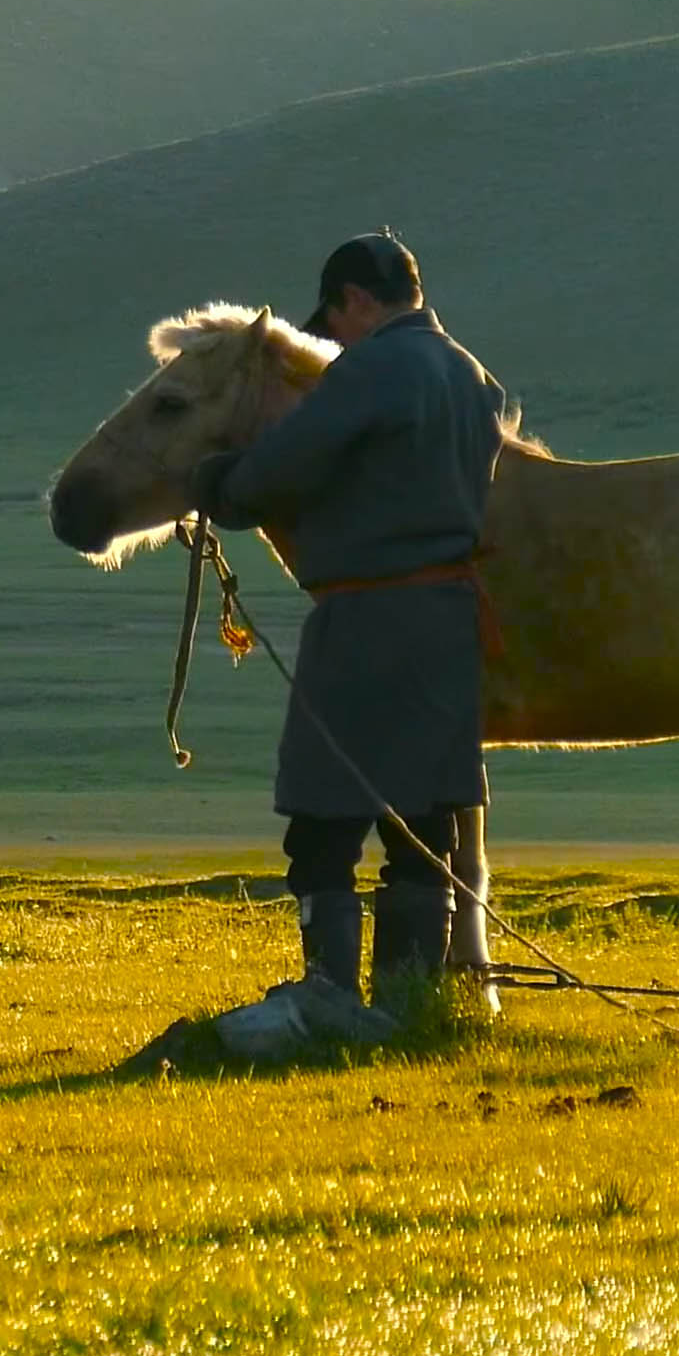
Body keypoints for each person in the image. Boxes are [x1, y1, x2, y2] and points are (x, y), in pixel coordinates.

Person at [183, 231, 509, 1021]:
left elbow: (277, 470)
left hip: (367, 620)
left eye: (334, 315)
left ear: (357, 299)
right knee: (425, 823)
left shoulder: (369, 371)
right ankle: (412, 1006)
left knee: (324, 823)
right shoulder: (473, 377)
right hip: (448, 620)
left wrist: (215, 484)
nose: (332, 334)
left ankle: (330, 1001)